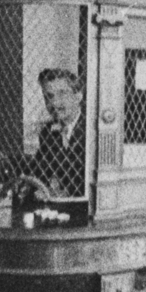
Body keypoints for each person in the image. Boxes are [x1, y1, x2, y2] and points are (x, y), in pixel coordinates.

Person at [33, 67, 86, 198]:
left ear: (78, 95)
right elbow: (41, 173)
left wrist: (66, 193)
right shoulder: (47, 132)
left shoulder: (91, 130)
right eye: (49, 96)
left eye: (62, 93)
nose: (54, 103)